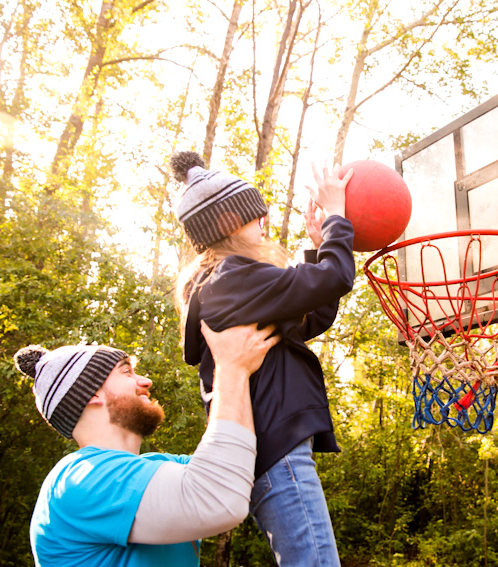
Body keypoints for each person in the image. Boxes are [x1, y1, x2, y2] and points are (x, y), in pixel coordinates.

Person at [171, 150, 356, 567]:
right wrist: (337, 217)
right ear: (227, 222)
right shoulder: (230, 278)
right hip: (279, 456)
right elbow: (335, 277)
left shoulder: (229, 283)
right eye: (255, 213)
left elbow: (311, 316)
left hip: (275, 455)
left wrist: (320, 246)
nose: (264, 219)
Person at [15, 321, 279, 567]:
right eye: (127, 371)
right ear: (92, 392)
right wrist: (231, 368)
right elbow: (218, 499)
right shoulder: (78, 479)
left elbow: (240, 463)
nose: (145, 381)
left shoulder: (162, 467)